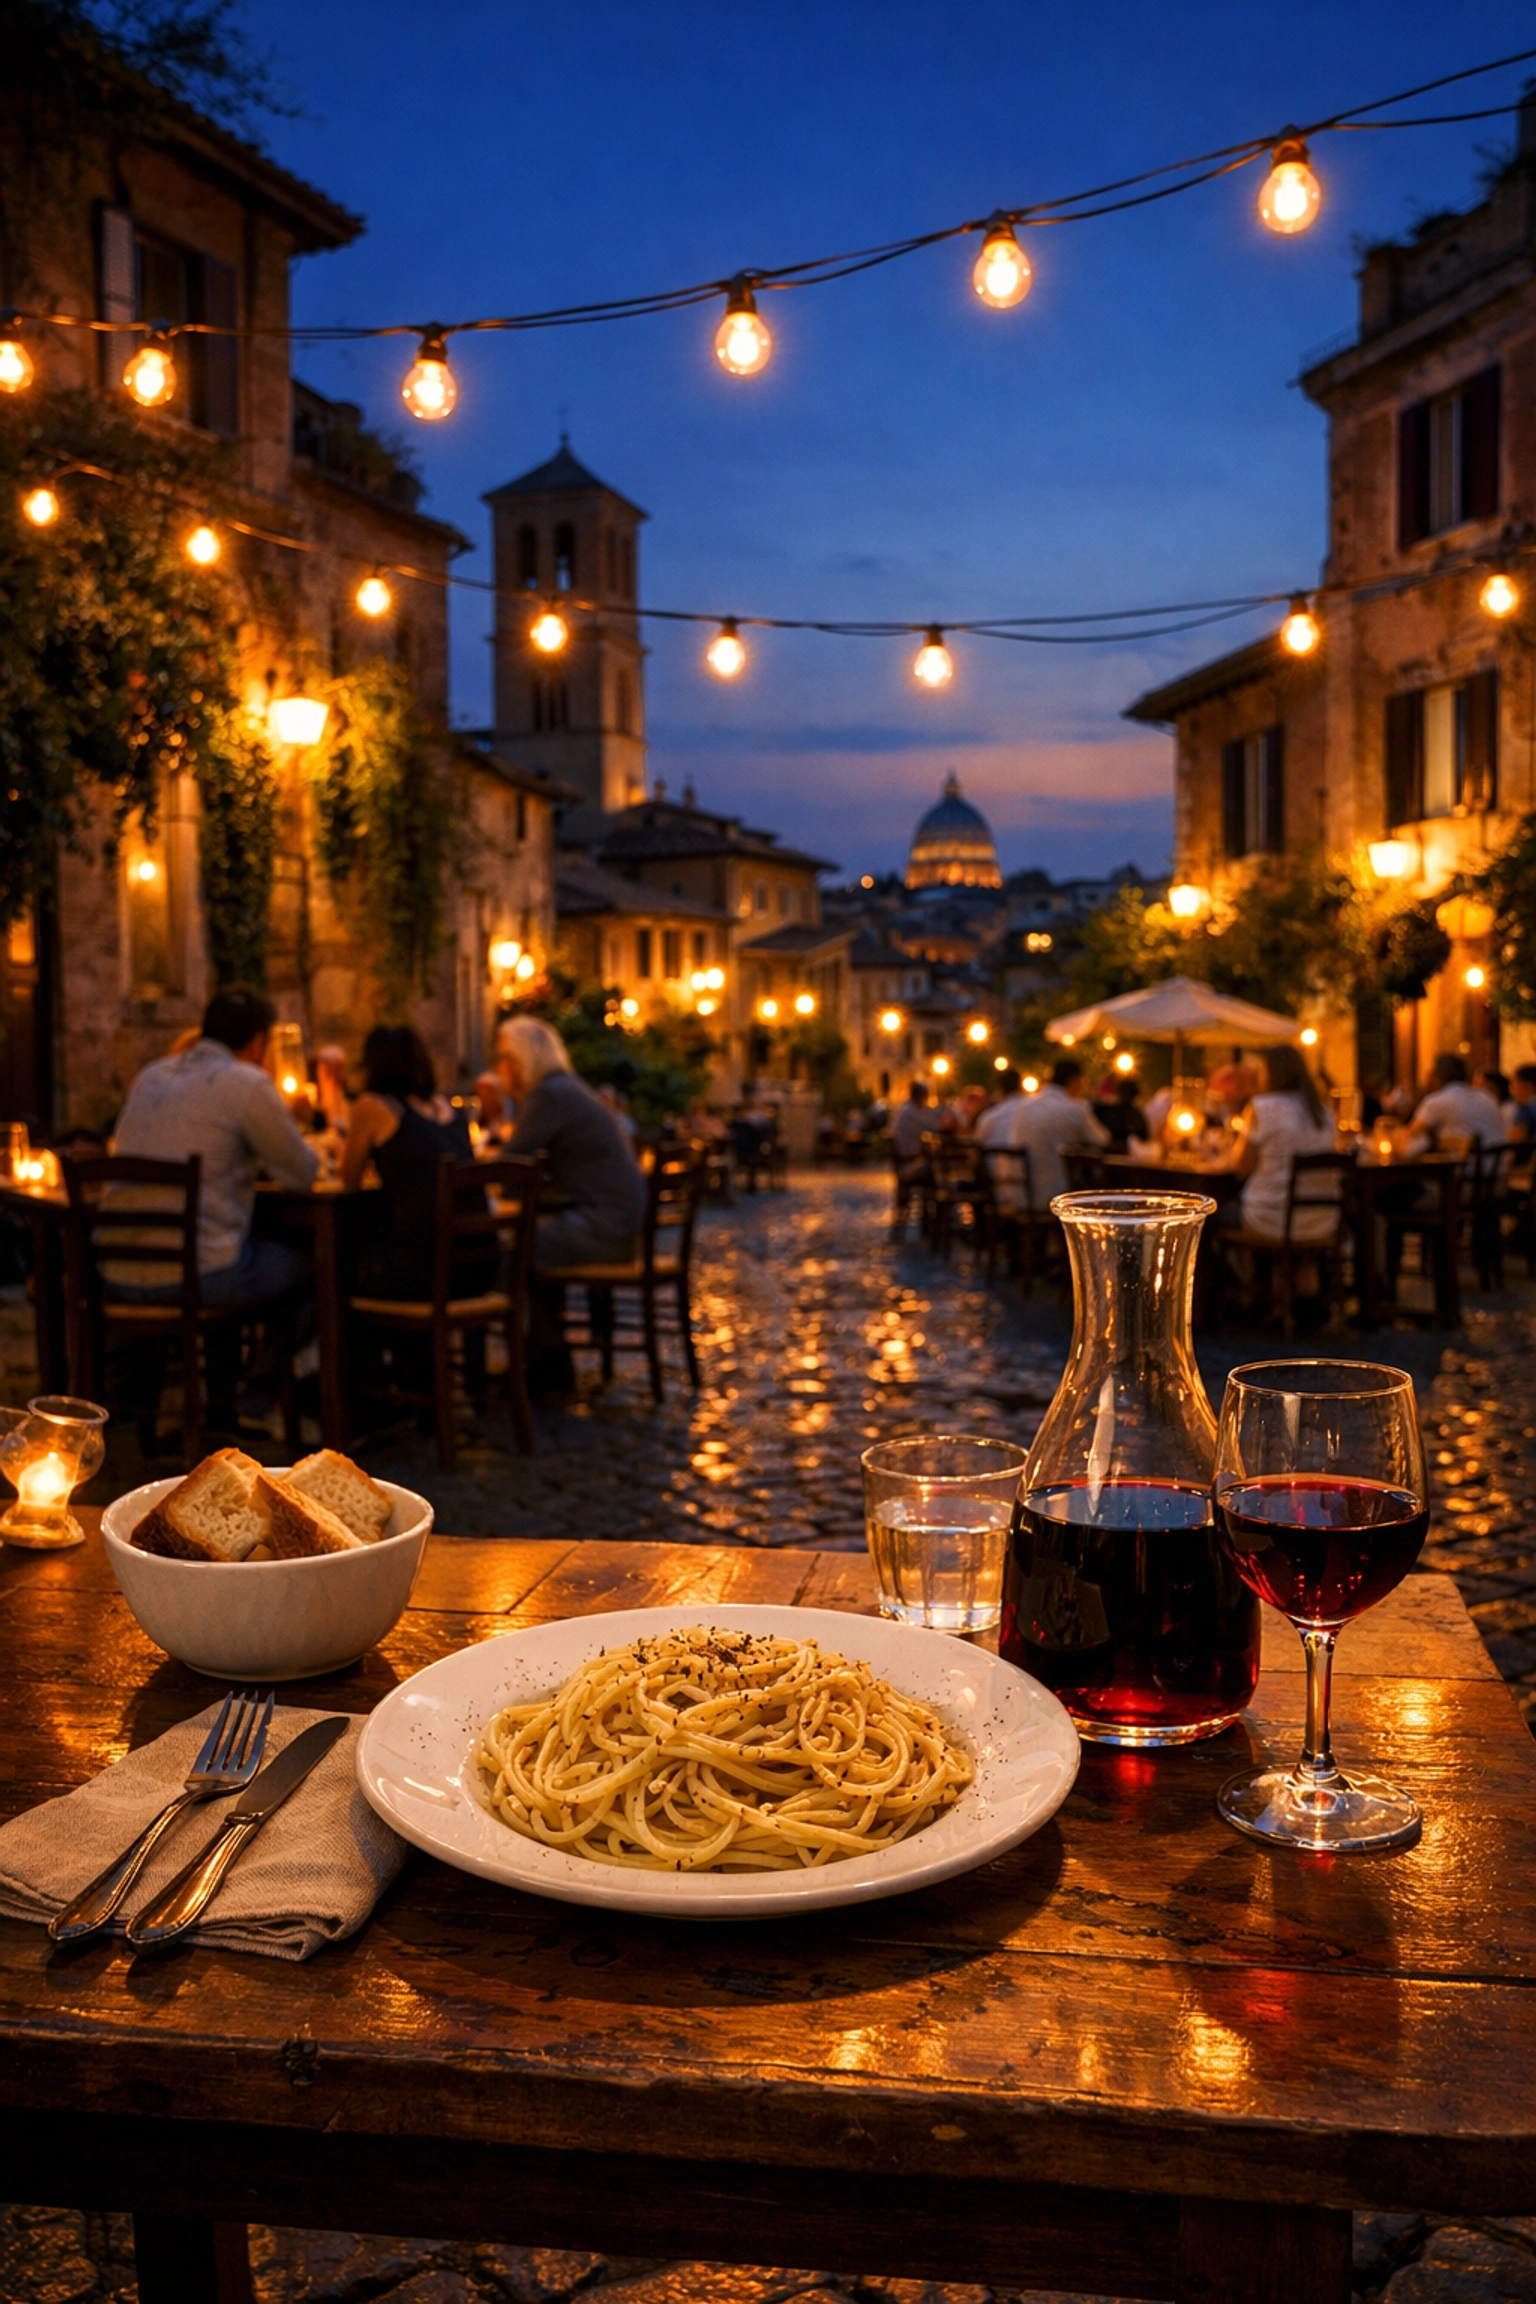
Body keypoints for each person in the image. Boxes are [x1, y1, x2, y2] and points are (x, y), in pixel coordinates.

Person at [107, 985, 317, 1431]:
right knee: (312, 1269)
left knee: (226, 1244)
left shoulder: (151, 1074)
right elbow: (301, 1173)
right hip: (197, 1277)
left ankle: (214, 1401)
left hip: (114, 1270)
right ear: (259, 1042)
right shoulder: (247, 1083)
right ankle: (255, 1397)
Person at [500, 1017, 647, 1394]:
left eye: (505, 1059)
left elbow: (509, 1166)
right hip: (622, 1224)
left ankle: (539, 1360)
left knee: (510, 1253)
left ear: (521, 1061)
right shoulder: (568, 1089)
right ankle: (548, 1355)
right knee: (536, 1247)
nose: (500, 1069)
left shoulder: (549, 1095)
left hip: (602, 1228)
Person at [1226, 1044, 1339, 1241]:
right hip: (1323, 1220)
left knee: (1208, 1216)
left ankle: (1245, 1272)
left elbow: (1241, 1167)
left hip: (1270, 1219)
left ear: (1269, 1073)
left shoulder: (1262, 1108)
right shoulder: (1324, 1111)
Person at [980, 1057, 1109, 1211]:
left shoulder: (1024, 1107)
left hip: (1017, 1194)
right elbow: (1102, 1140)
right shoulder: (1074, 1108)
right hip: (1054, 1197)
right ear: (1075, 1080)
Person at [1404, 1052, 1506, 1156]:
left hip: (1463, 1168)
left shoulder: (1438, 1100)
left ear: (1436, 1076)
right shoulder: (1486, 1096)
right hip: (1498, 1167)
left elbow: (1410, 1134)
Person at [1096, 1073, 1150, 1151]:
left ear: (1118, 1092)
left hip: (1107, 1155)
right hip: (1130, 1157)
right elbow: (1145, 1138)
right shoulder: (1137, 1115)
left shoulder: (1107, 1111)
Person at [890, 1080, 933, 1166]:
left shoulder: (905, 1108)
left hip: (904, 1154)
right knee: (935, 1161)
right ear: (921, 1096)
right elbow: (932, 1126)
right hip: (910, 1157)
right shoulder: (912, 1112)